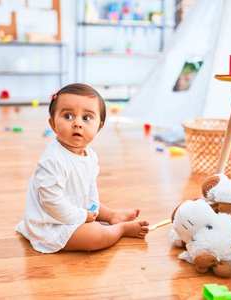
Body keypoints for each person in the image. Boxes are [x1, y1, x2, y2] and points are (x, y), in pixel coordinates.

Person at [15, 83, 150, 253]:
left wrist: (91, 210)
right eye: (68, 116)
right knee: (95, 235)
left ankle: (111, 215)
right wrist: (83, 216)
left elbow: (89, 190)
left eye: (86, 118)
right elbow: (52, 203)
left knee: (91, 203)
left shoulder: (90, 155)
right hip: (50, 224)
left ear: (99, 126)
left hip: (73, 209)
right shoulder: (53, 161)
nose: (77, 123)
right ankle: (120, 229)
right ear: (53, 124)